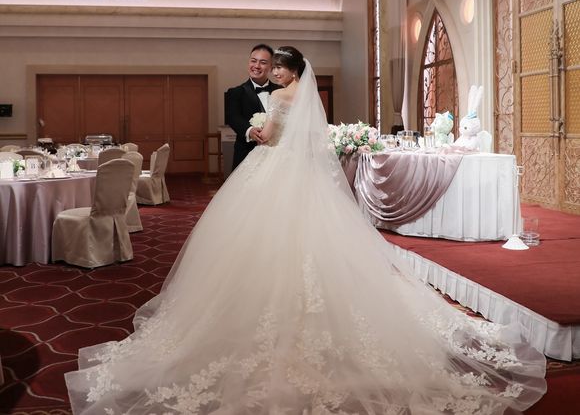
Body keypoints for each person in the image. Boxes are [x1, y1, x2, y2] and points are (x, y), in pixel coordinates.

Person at [65, 46, 546, 414]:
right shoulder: (309, 95)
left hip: (272, 171)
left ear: (291, 71)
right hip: (303, 176)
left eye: (278, 67)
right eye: (270, 67)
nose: (273, 72)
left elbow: (271, 136)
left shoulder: (279, 96)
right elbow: (311, 137)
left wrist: (258, 132)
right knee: (314, 246)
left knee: (260, 245)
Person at [225, 44, 282, 170]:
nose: (256, 66)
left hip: (277, 156)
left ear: (271, 67)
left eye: (263, 62)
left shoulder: (281, 91)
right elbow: (232, 117)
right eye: (253, 61)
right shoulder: (236, 92)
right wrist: (249, 130)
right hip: (247, 154)